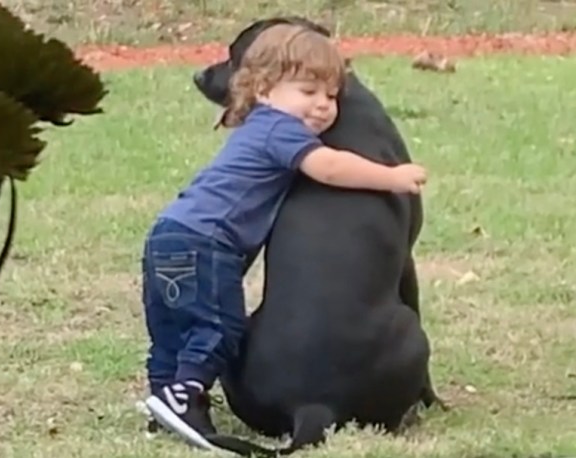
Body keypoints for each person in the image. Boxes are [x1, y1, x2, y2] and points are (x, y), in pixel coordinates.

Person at [141, 23, 428, 450]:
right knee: (218, 327)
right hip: (211, 245)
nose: (323, 106)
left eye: (331, 96)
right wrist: (392, 176)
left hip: (170, 234)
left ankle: (165, 390)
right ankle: (185, 394)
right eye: (309, 92)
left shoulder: (256, 127)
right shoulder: (284, 132)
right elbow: (329, 167)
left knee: (171, 325)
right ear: (262, 89)